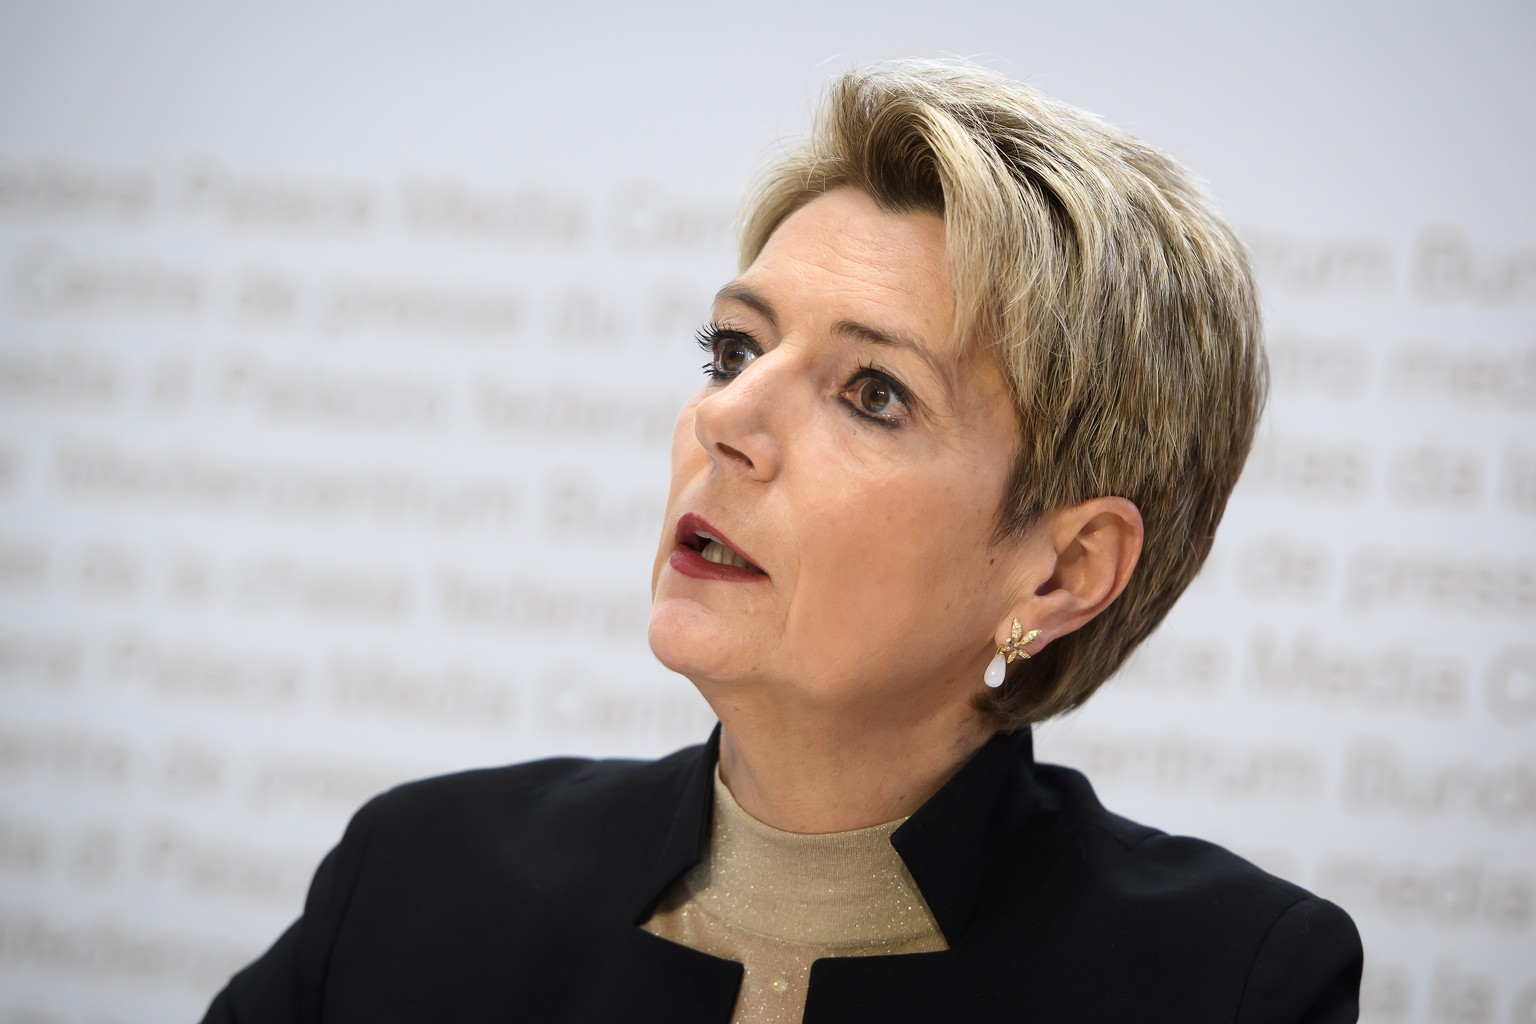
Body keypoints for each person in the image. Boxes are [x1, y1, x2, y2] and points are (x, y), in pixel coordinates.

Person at [202, 60, 1362, 1023]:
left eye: (872, 393)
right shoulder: (417, 879)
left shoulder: (1231, 983)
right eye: (734, 351)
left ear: (1063, 570)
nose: (725, 418)